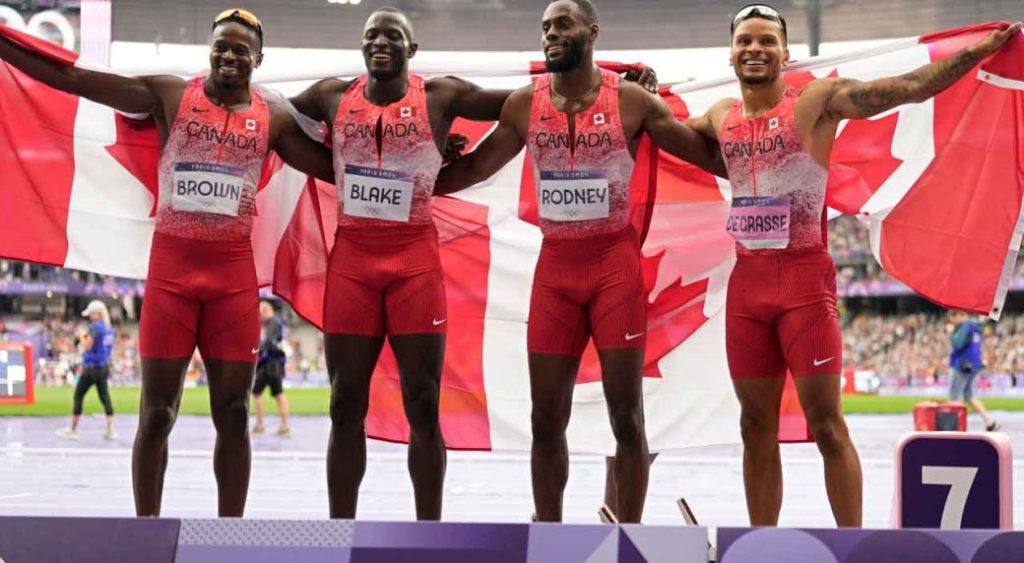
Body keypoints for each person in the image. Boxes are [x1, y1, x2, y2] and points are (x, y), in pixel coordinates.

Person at [288, 6, 656, 521]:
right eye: (372, 34)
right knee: (344, 403)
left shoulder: (442, 95)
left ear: (412, 49)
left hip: (417, 262)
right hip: (354, 262)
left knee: (423, 402)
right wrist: (362, 166)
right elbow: (270, 118)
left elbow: (535, 97)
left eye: (394, 35)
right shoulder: (331, 95)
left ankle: (429, 532)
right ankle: (338, 530)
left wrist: (619, 81)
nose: (381, 43)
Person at [686, 4, 1021, 527]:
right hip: (747, 288)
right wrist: (636, 90)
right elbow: (655, 131)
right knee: (754, 425)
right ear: (731, 54)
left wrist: (974, 53)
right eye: (745, 40)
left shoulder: (816, 102)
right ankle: (760, 541)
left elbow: (901, 88)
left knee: (827, 425)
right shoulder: (720, 116)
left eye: (766, 41)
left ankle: (853, 543)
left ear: (785, 53)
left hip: (803, 282)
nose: (755, 48)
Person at [0, 8, 334, 517]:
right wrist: (6, 46)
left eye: (240, 49)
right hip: (172, 279)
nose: (228, 54)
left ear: (258, 59)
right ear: (211, 48)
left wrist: (434, 158)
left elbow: (335, 169)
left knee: (234, 413)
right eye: (221, 44)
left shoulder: (275, 117)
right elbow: (75, 79)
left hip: (231, 284)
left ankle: (230, 531)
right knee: (156, 414)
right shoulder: (172, 95)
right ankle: (146, 530)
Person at [434, 0, 724, 523]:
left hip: (614, 268)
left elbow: (705, 157)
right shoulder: (525, 104)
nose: (551, 33)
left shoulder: (632, 102)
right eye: (545, 27)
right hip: (556, 274)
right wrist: (410, 177)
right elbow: (475, 168)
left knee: (627, 418)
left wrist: (767, 154)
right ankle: (549, 533)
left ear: (592, 31)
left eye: (562, 24)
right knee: (546, 418)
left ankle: (628, 538)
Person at [57, 300, 117, 440]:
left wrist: (80, 337)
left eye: (91, 313)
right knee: (105, 397)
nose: (90, 316)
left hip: (91, 367)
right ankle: (111, 429)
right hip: (103, 366)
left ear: (96, 313)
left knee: (78, 396)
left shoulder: (95, 327)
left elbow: (88, 345)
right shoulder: (109, 328)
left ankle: (73, 429)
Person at [949, 311, 999, 431]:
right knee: (969, 395)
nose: (952, 319)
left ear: (961, 315)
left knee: (954, 396)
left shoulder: (965, 327)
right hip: (974, 364)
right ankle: (989, 421)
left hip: (962, 364)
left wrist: (952, 332)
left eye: (953, 316)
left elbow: (957, 344)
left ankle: (953, 427)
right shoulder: (976, 327)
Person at [252, 300, 290, 436]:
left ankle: (265, 425)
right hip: (271, 363)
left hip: (271, 363)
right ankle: (266, 425)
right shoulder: (272, 323)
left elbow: (268, 342)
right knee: (267, 393)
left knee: (272, 393)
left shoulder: (273, 322)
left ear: (265, 311)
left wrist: (255, 352)